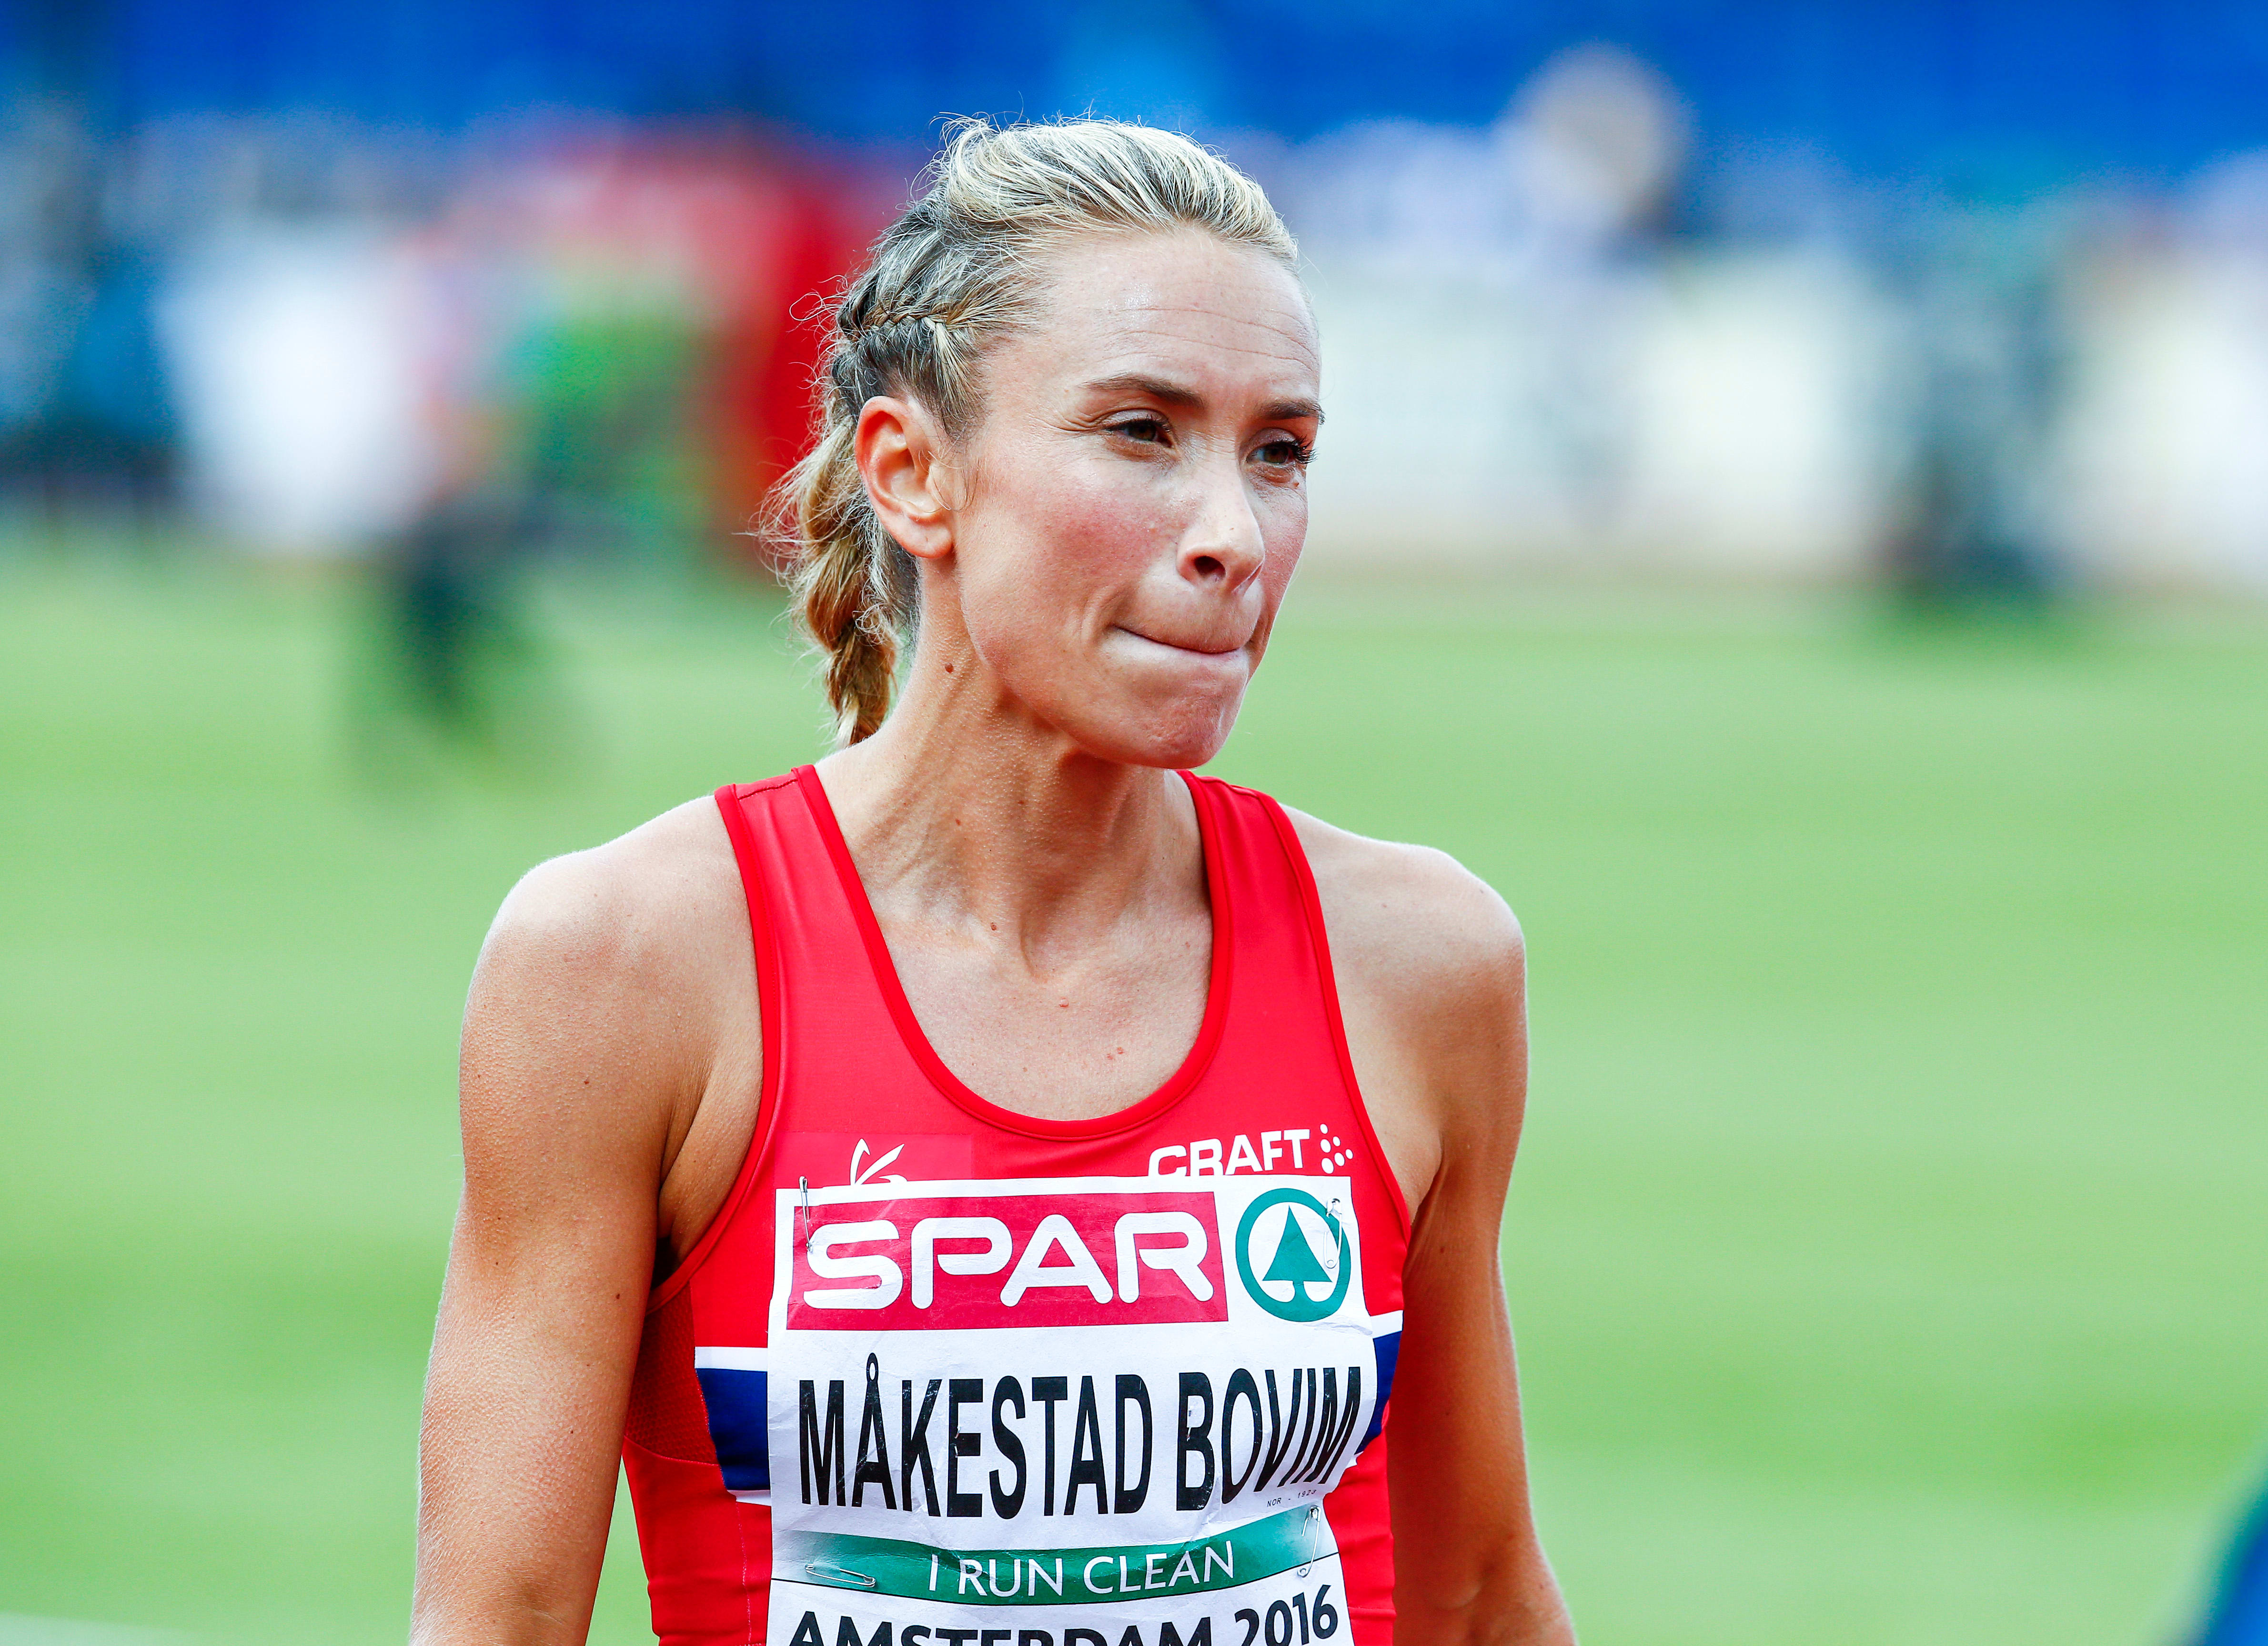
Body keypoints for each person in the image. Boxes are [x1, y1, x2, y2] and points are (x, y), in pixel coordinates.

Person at [412, 118, 1572, 1646]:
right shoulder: (630, 964)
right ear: (913, 474)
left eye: (1279, 453)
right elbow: (497, 1621)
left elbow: (1478, 1603)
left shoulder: (1421, 963)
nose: (1234, 535)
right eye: (1141, 432)